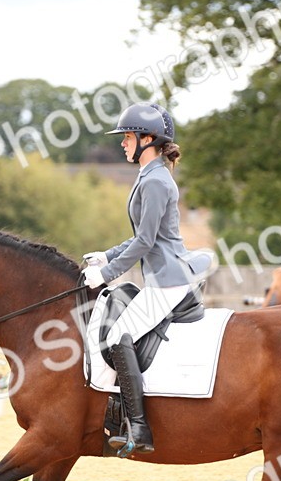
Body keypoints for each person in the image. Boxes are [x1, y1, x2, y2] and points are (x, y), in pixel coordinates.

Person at [82, 102, 197, 457]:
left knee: (118, 335)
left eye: (127, 136)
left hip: (169, 279)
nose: (123, 143)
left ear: (147, 138)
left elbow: (147, 242)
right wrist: (107, 254)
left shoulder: (158, 180)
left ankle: (140, 427)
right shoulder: (150, 176)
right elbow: (140, 238)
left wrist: (106, 274)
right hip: (160, 276)